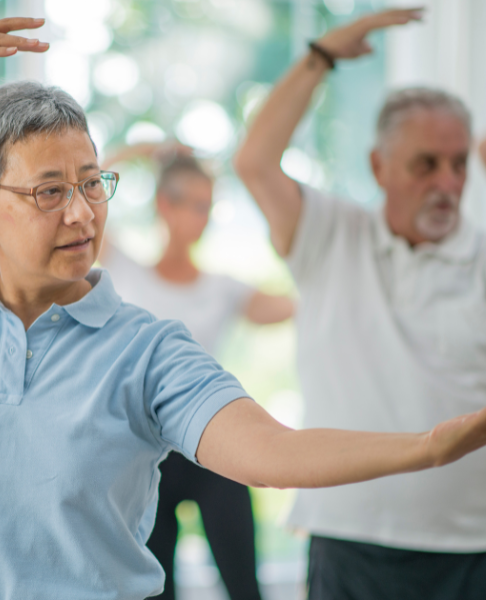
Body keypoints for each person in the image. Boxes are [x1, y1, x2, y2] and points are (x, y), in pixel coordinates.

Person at [0, 17, 486, 600]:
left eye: (93, 183)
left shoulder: (147, 350)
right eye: (49, 191)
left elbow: (274, 451)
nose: (83, 213)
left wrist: (423, 448)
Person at [234, 8, 486, 600]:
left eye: (459, 164)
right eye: (426, 164)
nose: (447, 183)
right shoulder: (330, 235)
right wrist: (320, 57)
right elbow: (254, 163)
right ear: (380, 166)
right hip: (350, 540)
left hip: (472, 546)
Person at [101, 146, 292, 600]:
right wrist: (145, 151)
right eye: (194, 204)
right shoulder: (124, 271)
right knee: (154, 591)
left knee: (246, 586)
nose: (203, 217)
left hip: (214, 448)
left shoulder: (222, 288)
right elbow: (88, 193)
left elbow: (290, 306)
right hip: (146, 455)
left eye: (209, 206)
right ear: (164, 205)